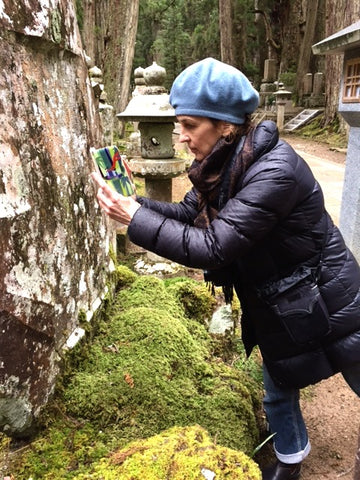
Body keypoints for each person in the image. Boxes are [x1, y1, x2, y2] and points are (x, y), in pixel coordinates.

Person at [91, 57, 360, 480]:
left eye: (189, 125)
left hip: (327, 292)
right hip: (277, 298)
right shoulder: (224, 163)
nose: (180, 137)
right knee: (277, 387)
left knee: (355, 364)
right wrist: (135, 203)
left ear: (225, 124)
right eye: (178, 124)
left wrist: (132, 220)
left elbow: (213, 246)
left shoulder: (274, 171)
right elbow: (187, 212)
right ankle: (290, 461)